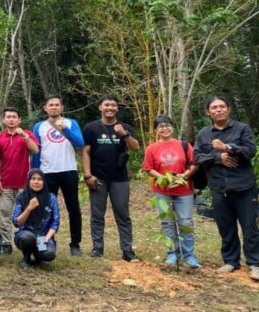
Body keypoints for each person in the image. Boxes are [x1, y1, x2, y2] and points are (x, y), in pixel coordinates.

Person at [194, 97, 258, 280]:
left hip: (244, 187)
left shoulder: (242, 129)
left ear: (228, 109)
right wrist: (218, 157)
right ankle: (231, 261)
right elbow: (197, 156)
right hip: (218, 187)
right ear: (208, 112)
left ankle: (255, 263)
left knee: (250, 227)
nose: (218, 110)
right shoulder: (204, 134)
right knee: (226, 227)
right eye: (214, 107)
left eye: (222, 106)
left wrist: (228, 148)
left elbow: (250, 151)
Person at [82, 95, 140, 261]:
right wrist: (87, 175)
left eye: (113, 105)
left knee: (123, 215)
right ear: (100, 107)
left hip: (120, 178)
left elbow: (136, 148)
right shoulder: (91, 128)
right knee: (97, 215)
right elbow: (85, 152)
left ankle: (127, 250)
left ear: (117, 108)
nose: (110, 108)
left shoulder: (125, 127)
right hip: (97, 177)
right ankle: (97, 248)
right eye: (106, 105)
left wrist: (124, 134)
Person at [143, 115, 201, 268]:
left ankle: (189, 256)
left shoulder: (184, 145)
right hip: (162, 191)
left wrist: (184, 175)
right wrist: (162, 177)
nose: (164, 128)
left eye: (167, 125)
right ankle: (172, 254)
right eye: (160, 126)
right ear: (156, 130)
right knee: (167, 222)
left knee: (185, 221)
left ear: (172, 127)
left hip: (184, 190)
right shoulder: (152, 148)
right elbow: (148, 169)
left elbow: (195, 164)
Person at [31, 95, 84, 256]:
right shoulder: (39, 126)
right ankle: (44, 243)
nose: (53, 107)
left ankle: (75, 244)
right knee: (42, 209)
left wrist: (64, 129)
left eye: (57, 105)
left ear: (62, 108)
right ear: (45, 109)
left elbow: (80, 143)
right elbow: (36, 151)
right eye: (50, 105)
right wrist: (34, 172)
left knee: (73, 208)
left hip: (68, 170)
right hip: (46, 172)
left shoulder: (70, 123)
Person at [0, 107, 39, 255]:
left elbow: (35, 150)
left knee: (26, 213)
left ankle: (24, 240)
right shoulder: (0, 137)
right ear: (3, 120)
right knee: (5, 214)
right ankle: (6, 243)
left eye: (14, 117)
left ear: (19, 120)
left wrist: (25, 137)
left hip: (24, 183)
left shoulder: (27, 134)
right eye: (8, 117)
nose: (11, 119)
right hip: (5, 183)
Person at [12, 169, 60, 270]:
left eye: (39, 179)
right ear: (29, 181)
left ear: (44, 181)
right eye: (33, 179)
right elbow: (16, 222)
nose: (36, 182)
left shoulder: (51, 198)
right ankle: (26, 258)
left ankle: (39, 256)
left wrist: (47, 237)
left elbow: (55, 222)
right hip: (26, 235)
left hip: (42, 237)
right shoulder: (22, 197)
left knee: (49, 254)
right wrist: (29, 208)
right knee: (28, 238)